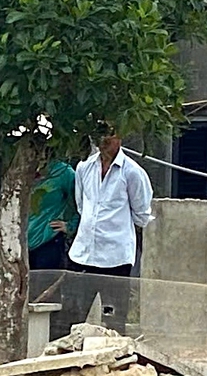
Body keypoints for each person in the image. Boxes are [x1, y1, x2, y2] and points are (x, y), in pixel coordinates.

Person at [67, 128, 153, 333]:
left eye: (110, 134)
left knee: (113, 318)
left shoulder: (131, 172)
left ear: (120, 137)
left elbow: (141, 214)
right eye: (101, 133)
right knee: (73, 315)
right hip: (83, 255)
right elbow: (81, 205)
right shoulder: (84, 168)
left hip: (115, 258)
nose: (105, 139)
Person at [28, 158, 77, 271]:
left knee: (47, 285)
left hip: (48, 241)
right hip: (17, 243)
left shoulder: (62, 171)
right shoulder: (17, 169)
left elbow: (83, 201)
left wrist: (71, 226)